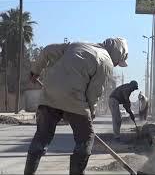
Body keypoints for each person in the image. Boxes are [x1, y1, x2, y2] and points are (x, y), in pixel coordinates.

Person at [24, 37, 129, 175]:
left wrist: (35, 71)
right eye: (118, 61)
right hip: (75, 99)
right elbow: (94, 92)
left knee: (41, 138)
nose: (116, 65)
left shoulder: (76, 45)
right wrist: (90, 112)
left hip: (49, 95)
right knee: (86, 138)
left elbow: (47, 51)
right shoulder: (106, 61)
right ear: (117, 54)